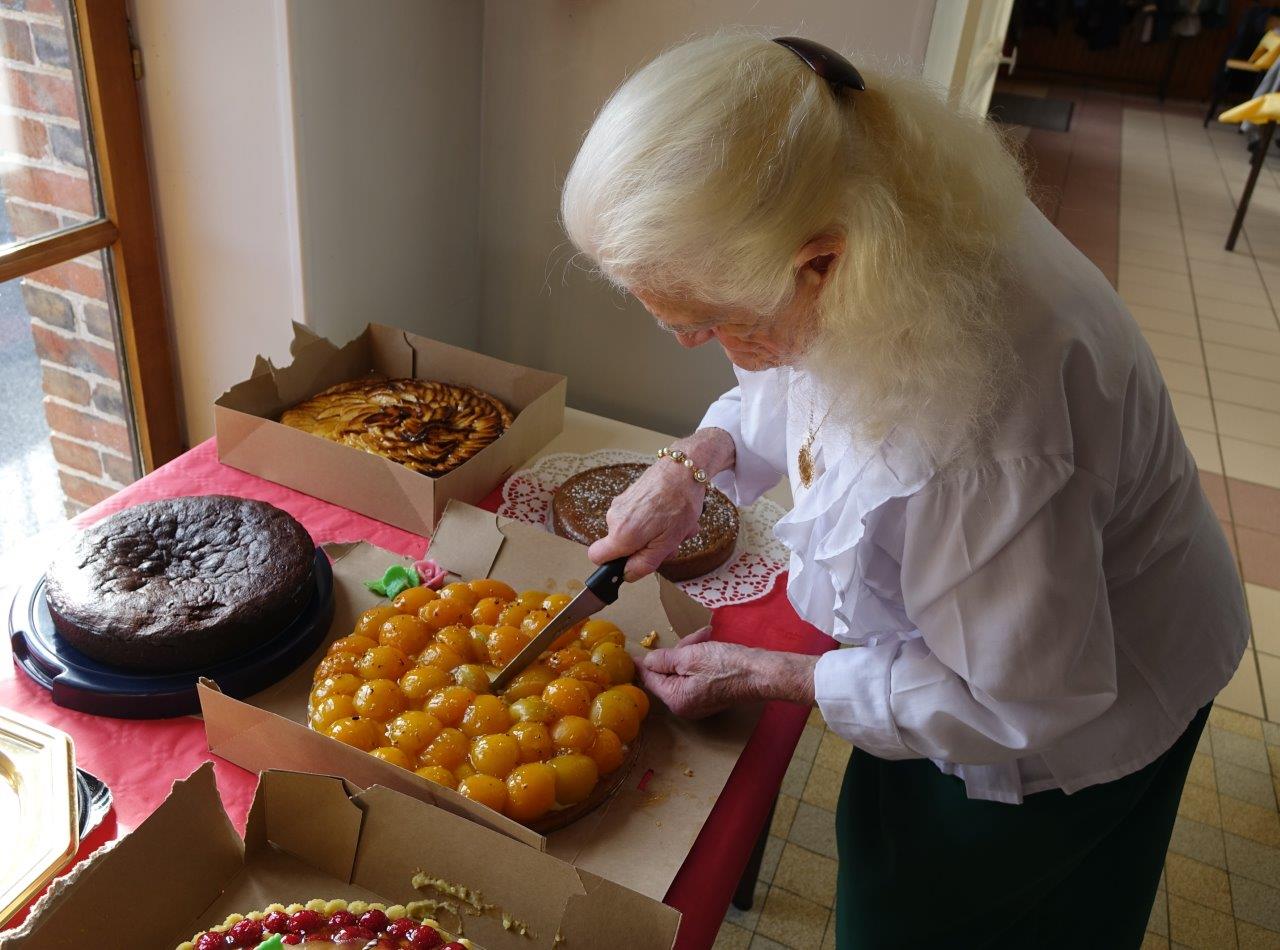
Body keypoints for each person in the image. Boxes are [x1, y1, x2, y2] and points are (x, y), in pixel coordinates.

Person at [559, 32, 1249, 949]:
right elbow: (812, 375)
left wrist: (768, 672)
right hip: (982, 637)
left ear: (823, 261)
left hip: (1076, 705)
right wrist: (697, 458)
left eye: (712, 320)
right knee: (884, 849)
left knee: (955, 917)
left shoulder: (985, 430)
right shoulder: (876, 203)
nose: (695, 345)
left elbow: (1017, 705)